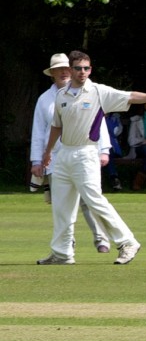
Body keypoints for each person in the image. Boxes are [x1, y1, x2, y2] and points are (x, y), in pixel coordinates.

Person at [37, 50, 146, 266]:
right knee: (61, 205)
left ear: (90, 70)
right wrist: (47, 153)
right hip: (63, 154)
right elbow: (56, 126)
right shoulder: (61, 95)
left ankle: (127, 242)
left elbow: (131, 96)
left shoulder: (98, 92)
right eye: (78, 68)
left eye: (86, 68)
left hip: (86, 153)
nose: (82, 72)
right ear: (71, 70)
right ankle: (62, 252)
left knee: (94, 200)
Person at [30, 53, 112, 254]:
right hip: (55, 158)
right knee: (61, 205)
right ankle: (67, 243)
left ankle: (101, 238)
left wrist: (104, 150)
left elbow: (97, 123)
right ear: (52, 73)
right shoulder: (44, 99)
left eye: (66, 68)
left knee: (90, 199)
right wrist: (36, 160)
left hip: (84, 153)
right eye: (58, 69)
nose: (64, 72)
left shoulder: (88, 91)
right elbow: (39, 131)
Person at [102, 112, 124, 191]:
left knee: (108, 152)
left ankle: (114, 178)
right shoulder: (93, 115)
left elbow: (115, 132)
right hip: (96, 145)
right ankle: (113, 178)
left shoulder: (115, 118)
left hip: (112, 146)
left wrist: (105, 119)